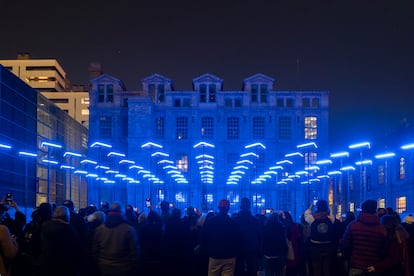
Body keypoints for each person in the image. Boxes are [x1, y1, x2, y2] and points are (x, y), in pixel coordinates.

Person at [92, 201, 139, 276]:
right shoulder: (129, 229)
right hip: (124, 269)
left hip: (103, 267)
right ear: (122, 212)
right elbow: (134, 253)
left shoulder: (99, 229)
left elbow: (95, 251)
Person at [342, 199, 387, 276]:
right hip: (373, 266)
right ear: (375, 211)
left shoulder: (353, 225)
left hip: (356, 265)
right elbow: (384, 248)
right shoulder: (381, 229)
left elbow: (345, 244)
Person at [201, 199, 241, 276]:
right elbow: (238, 240)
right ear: (228, 209)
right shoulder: (233, 223)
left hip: (215, 255)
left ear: (219, 208)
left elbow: (204, 237)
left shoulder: (210, 222)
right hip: (230, 256)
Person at [39, 205, 81, 276]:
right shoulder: (70, 231)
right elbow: (77, 251)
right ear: (67, 216)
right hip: (64, 268)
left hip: (45, 265)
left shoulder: (44, 226)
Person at [304, 199, 337, 276]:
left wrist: (310, 207)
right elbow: (331, 213)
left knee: (316, 268)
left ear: (317, 207)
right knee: (327, 268)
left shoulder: (312, 218)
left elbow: (306, 215)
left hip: (315, 246)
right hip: (328, 246)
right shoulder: (330, 218)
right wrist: (329, 207)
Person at [232, 197, 262, 276]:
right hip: (252, 250)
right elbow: (259, 236)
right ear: (249, 206)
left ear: (240, 206)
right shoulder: (256, 221)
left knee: (239, 271)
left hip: (238, 251)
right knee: (252, 271)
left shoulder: (234, 220)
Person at [0, 203, 18, 276]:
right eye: (3, 214)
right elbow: (11, 254)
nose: (4, 217)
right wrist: (13, 241)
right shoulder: (2, 229)